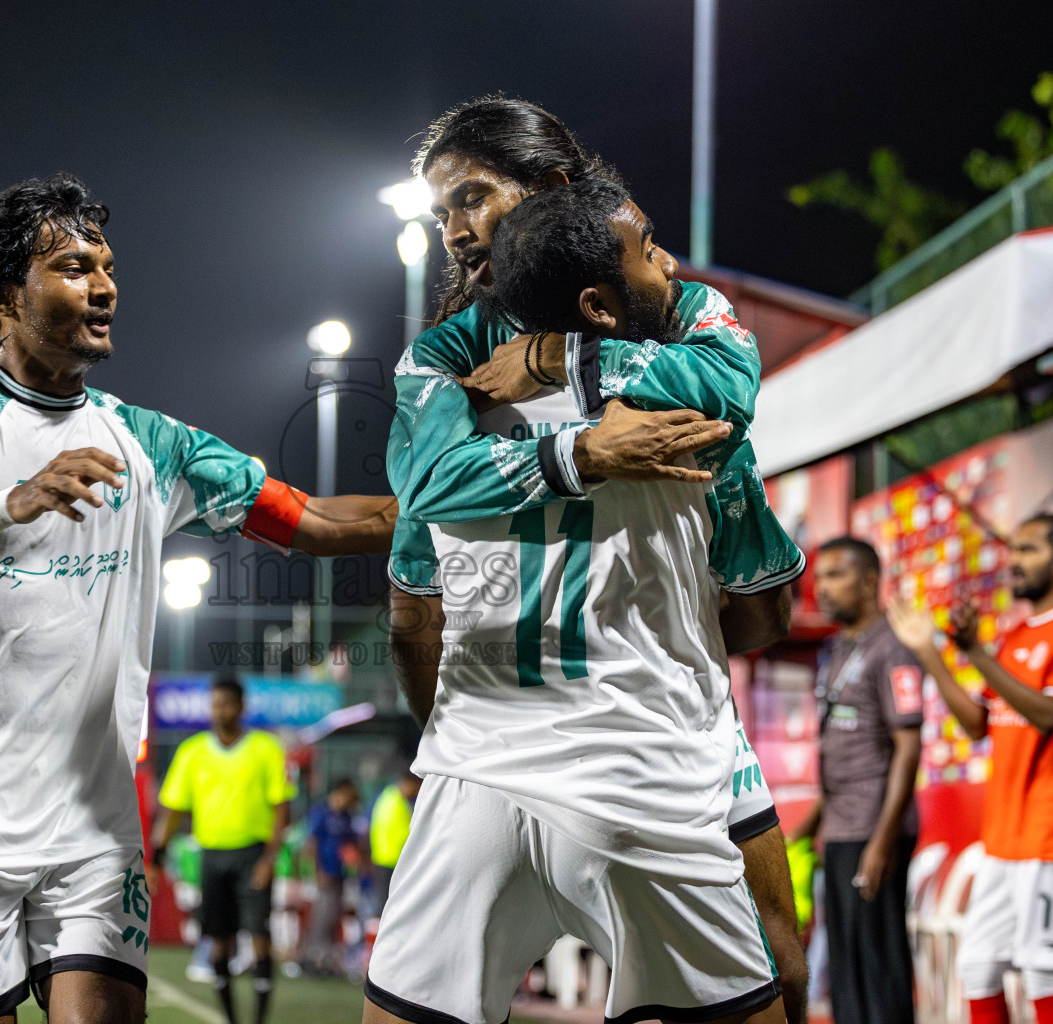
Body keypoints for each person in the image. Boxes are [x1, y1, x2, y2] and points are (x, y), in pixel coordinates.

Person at [0, 173, 396, 1024]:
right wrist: (6, 502)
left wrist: (490, 491)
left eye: (108, 265)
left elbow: (311, 519)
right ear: (3, 296)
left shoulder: (151, 443)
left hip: (91, 825)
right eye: (73, 267)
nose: (105, 286)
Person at [381, 97, 807, 1024]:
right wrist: (585, 444)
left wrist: (554, 361)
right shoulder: (447, 353)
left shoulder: (675, 307)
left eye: (471, 198)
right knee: (762, 973)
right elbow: (426, 497)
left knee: (782, 948)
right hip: (556, 747)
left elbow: (726, 389)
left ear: (554, 190)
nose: (454, 229)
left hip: (664, 723)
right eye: (440, 211)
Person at [889, 514, 1053, 1024]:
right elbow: (976, 725)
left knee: (1045, 975)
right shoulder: (1014, 637)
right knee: (979, 968)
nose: (1012, 560)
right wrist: (932, 654)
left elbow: (1051, 713)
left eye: (1028, 550)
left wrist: (975, 652)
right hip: (1004, 840)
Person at [792, 537, 923, 1024]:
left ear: (870, 582)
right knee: (845, 965)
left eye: (835, 576)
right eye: (819, 577)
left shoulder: (894, 648)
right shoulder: (840, 648)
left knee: (879, 966)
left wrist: (882, 843)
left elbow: (908, 747)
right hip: (842, 830)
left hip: (875, 830)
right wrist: (807, 829)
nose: (821, 588)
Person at [150, 678, 293, 1024]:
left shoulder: (266, 748)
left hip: (253, 856)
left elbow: (281, 809)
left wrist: (269, 859)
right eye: (215, 704)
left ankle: (258, 1019)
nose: (219, 711)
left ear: (241, 707)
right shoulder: (192, 751)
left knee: (259, 936)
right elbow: (171, 811)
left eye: (226, 704)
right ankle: (230, 1018)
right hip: (211, 857)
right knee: (218, 942)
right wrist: (154, 859)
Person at [304, 779, 363, 976]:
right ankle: (311, 958)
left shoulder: (347, 816)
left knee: (332, 917)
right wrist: (317, 870)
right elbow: (312, 843)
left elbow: (351, 843)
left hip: (340, 873)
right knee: (322, 917)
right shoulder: (322, 813)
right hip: (325, 873)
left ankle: (326, 959)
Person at [367, 771, 420, 909]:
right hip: (391, 859)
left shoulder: (388, 796)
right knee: (388, 906)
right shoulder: (396, 801)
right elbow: (405, 832)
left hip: (384, 857)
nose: (416, 791)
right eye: (415, 786)